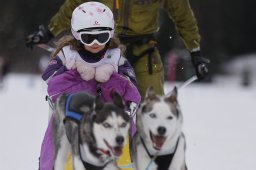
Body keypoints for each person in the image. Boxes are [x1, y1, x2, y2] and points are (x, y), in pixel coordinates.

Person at [26, 0, 210, 98]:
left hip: (143, 52)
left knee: (151, 108)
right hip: (101, 48)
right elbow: (73, 6)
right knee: (96, 103)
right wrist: (48, 32)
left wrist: (195, 52)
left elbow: (183, 15)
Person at [39, 2, 140, 170]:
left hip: (109, 118)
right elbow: (52, 83)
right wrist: (76, 75)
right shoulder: (68, 54)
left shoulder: (115, 57)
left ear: (110, 34)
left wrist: (110, 77)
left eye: (101, 37)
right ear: (77, 34)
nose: (95, 43)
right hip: (73, 116)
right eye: (88, 37)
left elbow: (132, 92)